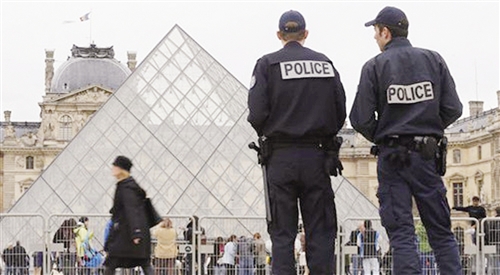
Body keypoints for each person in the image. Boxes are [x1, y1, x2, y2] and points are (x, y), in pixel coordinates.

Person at [349, 6, 463, 274]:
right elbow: (454, 108)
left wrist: (385, 132)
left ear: (385, 32)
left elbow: (360, 119)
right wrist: (430, 128)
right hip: (427, 156)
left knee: (401, 235)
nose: (375, 38)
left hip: (392, 157)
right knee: (441, 233)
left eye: (376, 32)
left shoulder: (374, 67)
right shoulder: (434, 60)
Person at [247, 10, 346, 275]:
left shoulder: (267, 65)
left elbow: (256, 114)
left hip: (280, 158)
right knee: (321, 233)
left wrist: (274, 131)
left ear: (279, 35)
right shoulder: (325, 63)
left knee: (281, 235)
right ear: (305, 34)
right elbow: (340, 112)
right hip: (317, 157)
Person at [104, 156, 153, 275]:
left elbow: (132, 210)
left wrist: (136, 232)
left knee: (111, 263)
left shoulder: (126, 187)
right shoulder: (127, 185)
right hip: (131, 233)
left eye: (115, 166)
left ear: (121, 169)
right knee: (144, 263)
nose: (112, 168)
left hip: (127, 235)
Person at [485, 207, 500, 275]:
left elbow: (489, 232)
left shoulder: (493, 221)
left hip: (495, 242)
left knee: (495, 260)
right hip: (496, 242)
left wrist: (489, 242)